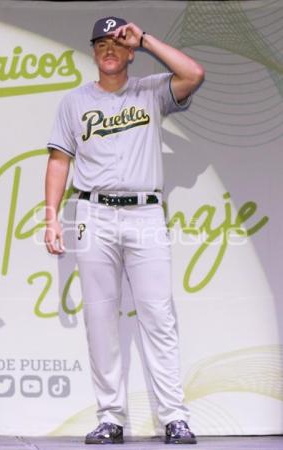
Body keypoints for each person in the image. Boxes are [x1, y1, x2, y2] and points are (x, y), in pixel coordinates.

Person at [45, 16, 204, 445]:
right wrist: (51, 216)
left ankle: (175, 416)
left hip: (145, 213)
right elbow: (59, 161)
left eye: (118, 42)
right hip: (93, 214)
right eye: (102, 44)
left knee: (158, 316)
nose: (109, 50)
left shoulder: (152, 91)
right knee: (100, 319)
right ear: (94, 52)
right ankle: (110, 418)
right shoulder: (74, 102)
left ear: (130, 50)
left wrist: (147, 39)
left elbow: (194, 74)